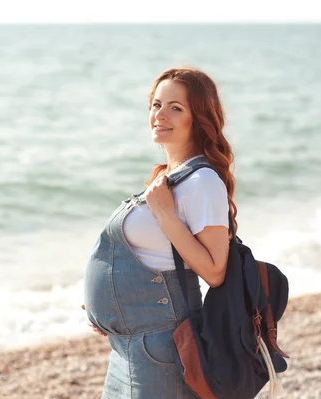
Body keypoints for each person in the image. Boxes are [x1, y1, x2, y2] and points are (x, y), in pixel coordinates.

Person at [82, 67, 238, 399]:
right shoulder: (172, 177)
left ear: (198, 119)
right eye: (156, 104)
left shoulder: (204, 182)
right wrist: (112, 306)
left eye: (175, 108)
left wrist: (166, 214)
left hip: (161, 347)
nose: (160, 114)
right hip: (129, 345)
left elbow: (215, 271)